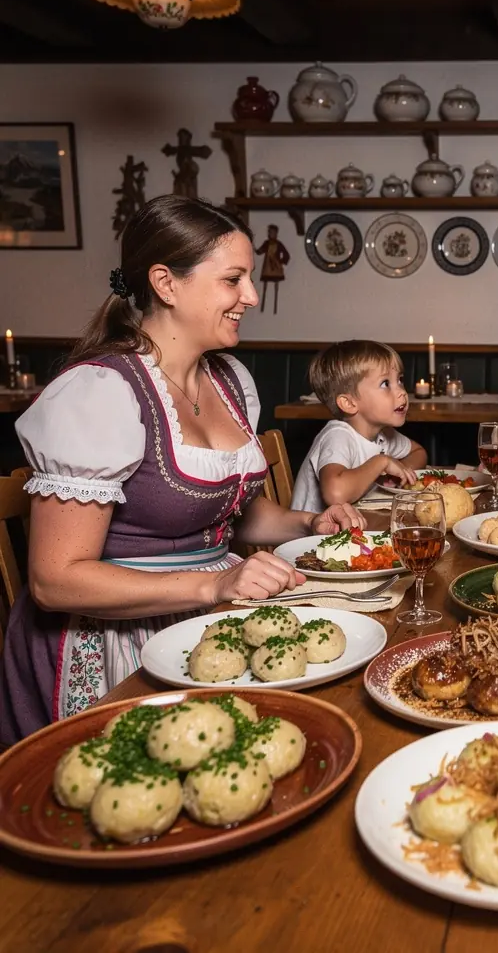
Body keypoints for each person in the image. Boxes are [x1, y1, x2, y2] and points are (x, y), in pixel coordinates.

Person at [0, 195, 365, 745]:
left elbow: (227, 514)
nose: (251, 296)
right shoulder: (100, 393)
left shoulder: (228, 380)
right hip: (107, 640)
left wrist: (306, 525)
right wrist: (215, 582)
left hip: (203, 617)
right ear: (166, 283)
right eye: (233, 279)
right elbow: (55, 580)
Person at [291, 341, 427, 512]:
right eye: (385, 383)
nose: (402, 391)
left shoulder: (383, 434)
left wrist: (400, 473)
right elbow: (335, 494)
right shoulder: (338, 436)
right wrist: (382, 463)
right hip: (315, 536)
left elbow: (418, 452)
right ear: (348, 403)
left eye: (399, 380)